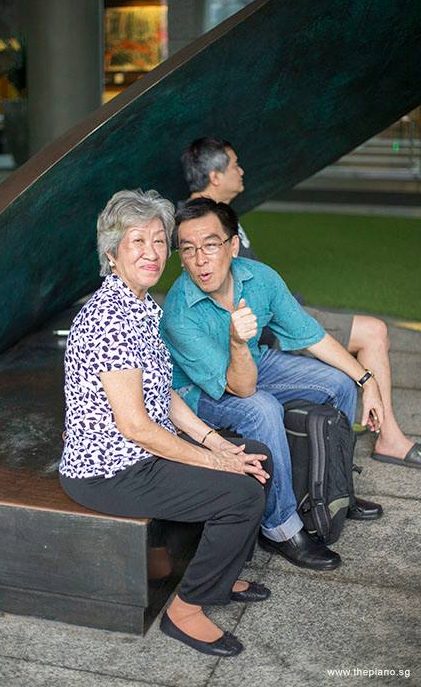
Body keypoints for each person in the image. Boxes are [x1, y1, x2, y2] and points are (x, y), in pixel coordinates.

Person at [59, 188, 274, 658]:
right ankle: (185, 611)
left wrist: (215, 442)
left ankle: (220, 576)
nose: (152, 252)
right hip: (110, 471)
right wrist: (215, 462)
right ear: (112, 253)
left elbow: (164, 394)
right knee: (240, 494)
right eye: (137, 242)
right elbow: (136, 426)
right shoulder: (109, 319)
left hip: (143, 454)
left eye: (159, 241)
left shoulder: (142, 306)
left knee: (256, 455)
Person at [160, 197, 387, 569]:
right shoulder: (179, 312)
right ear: (181, 257)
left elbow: (312, 335)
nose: (200, 259)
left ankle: (336, 489)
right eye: (188, 249)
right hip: (197, 389)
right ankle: (280, 527)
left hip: (253, 362)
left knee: (339, 383)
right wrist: (237, 342)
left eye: (211, 245)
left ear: (233, 245)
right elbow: (241, 389)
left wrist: (366, 379)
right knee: (262, 409)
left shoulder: (260, 278)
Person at [176, 136, 420, 471]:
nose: (242, 171)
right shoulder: (197, 231)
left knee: (343, 376)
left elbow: (261, 287)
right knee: (372, 333)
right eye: (235, 165)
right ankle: (386, 438)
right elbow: (235, 364)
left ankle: (334, 476)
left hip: (276, 315)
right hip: (261, 333)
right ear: (215, 176)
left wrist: (367, 380)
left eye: (211, 246)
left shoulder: (223, 220)